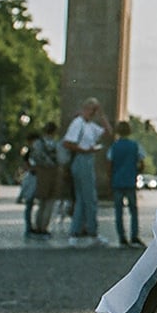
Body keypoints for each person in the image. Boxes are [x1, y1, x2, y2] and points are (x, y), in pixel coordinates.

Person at [61, 99, 109, 242]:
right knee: (90, 198)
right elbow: (67, 142)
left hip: (87, 158)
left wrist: (102, 115)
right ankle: (92, 232)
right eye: (91, 109)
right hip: (82, 158)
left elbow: (107, 132)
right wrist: (85, 149)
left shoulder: (90, 125)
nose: (93, 113)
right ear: (85, 108)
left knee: (82, 199)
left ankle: (75, 232)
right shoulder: (78, 123)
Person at [108, 119, 145, 247]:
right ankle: (134, 236)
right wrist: (136, 171)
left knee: (118, 211)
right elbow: (141, 162)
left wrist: (111, 177)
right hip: (130, 180)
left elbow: (110, 162)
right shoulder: (135, 145)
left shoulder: (114, 146)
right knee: (133, 210)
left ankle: (122, 238)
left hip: (117, 181)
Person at [27, 122, 62, 236]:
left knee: (42, 202)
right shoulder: (57, 144)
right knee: (50, 202)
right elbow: (62, 158)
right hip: (54, 172)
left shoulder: (38, 144)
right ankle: (44, 227)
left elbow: (34, 157)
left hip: (42, 173)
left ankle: (38, 225)